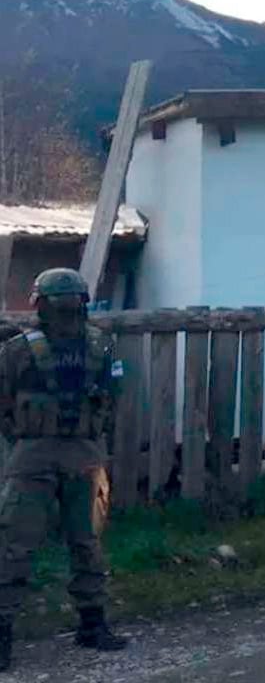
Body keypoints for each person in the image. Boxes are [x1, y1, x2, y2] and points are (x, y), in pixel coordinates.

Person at [0, 268, 127, 671]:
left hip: (38, 453)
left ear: (39, 303)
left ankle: (8, 633)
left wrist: (22, 436)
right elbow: (113, 399)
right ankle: (92, 624)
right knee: (82, 541)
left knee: (18, 544)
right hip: (78, 452)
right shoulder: (103, 346)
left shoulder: (17, 350)